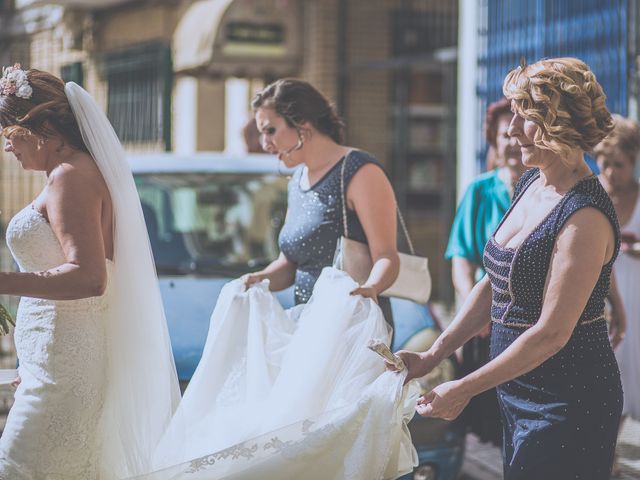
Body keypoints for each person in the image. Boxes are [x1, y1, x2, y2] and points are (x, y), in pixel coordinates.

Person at [393, 57, 623, 479]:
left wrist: (464, 387)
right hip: (517, 390)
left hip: (568, 400)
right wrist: (433, 354)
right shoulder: (532, 183)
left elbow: (552, 333)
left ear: (559, 123)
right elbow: (494, 283)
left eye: (525, 117)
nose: (511, 131)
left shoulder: (585, 215)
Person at [0, 65, 179, 479]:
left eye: (10, 134)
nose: (8, 147)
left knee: (20, 467)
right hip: (54, 360)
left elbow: (89, 277)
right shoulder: (67, 174)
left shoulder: (70, 177)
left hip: (65, 365)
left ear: (44, 126)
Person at [243, 78, 400, 323]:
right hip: (309, 327)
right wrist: (258, 280)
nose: (265, 144)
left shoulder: (359, 170)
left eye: (270, 130)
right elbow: (290, 264)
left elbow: (387, 256)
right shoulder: (297, 179)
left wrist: (371, 288)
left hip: (352, 328)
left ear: (303, 125)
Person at [445, 97, 526, 445]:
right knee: (489, 420)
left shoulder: (545, 191)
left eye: (516, 132)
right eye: (502, 133)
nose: (510, 140)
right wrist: (471, 309)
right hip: (488, 317)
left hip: (532, 316)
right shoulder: (479, 190)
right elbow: (461, 259)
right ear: (493, 138)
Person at [594, 115, 640, 474]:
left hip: (637, 298)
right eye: (603, 163)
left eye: (619, 165)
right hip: (606, 303)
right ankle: (605, 465)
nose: (610, 172)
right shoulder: (591, 196)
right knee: (608, 389)